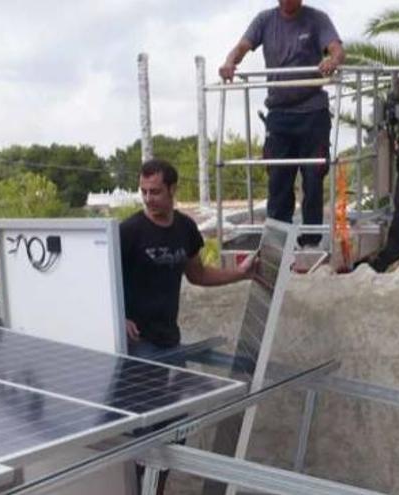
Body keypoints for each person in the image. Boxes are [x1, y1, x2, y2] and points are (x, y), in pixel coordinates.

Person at [119, 159, 254, 495]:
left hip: (170, 342)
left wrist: (240, 274)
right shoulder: (129, 232)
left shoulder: (185, 230)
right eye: (144, 192)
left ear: (172, 190)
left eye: (155, 192)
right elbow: (102, 278)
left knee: (177, 426)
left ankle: (158, 490)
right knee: (147, 429)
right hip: (140, 346)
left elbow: (198, 275)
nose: (149, 199)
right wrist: (119, 317)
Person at [219, 0, 344, 246]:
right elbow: (242, 46)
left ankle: (310, 242)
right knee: (278, 180)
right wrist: (230, 61)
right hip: (279, 114)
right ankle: (277, 244)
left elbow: (337, 49)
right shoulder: (265, 20)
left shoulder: (317, 19)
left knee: (313, 178)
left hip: (312, 112)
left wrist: (332, 60)